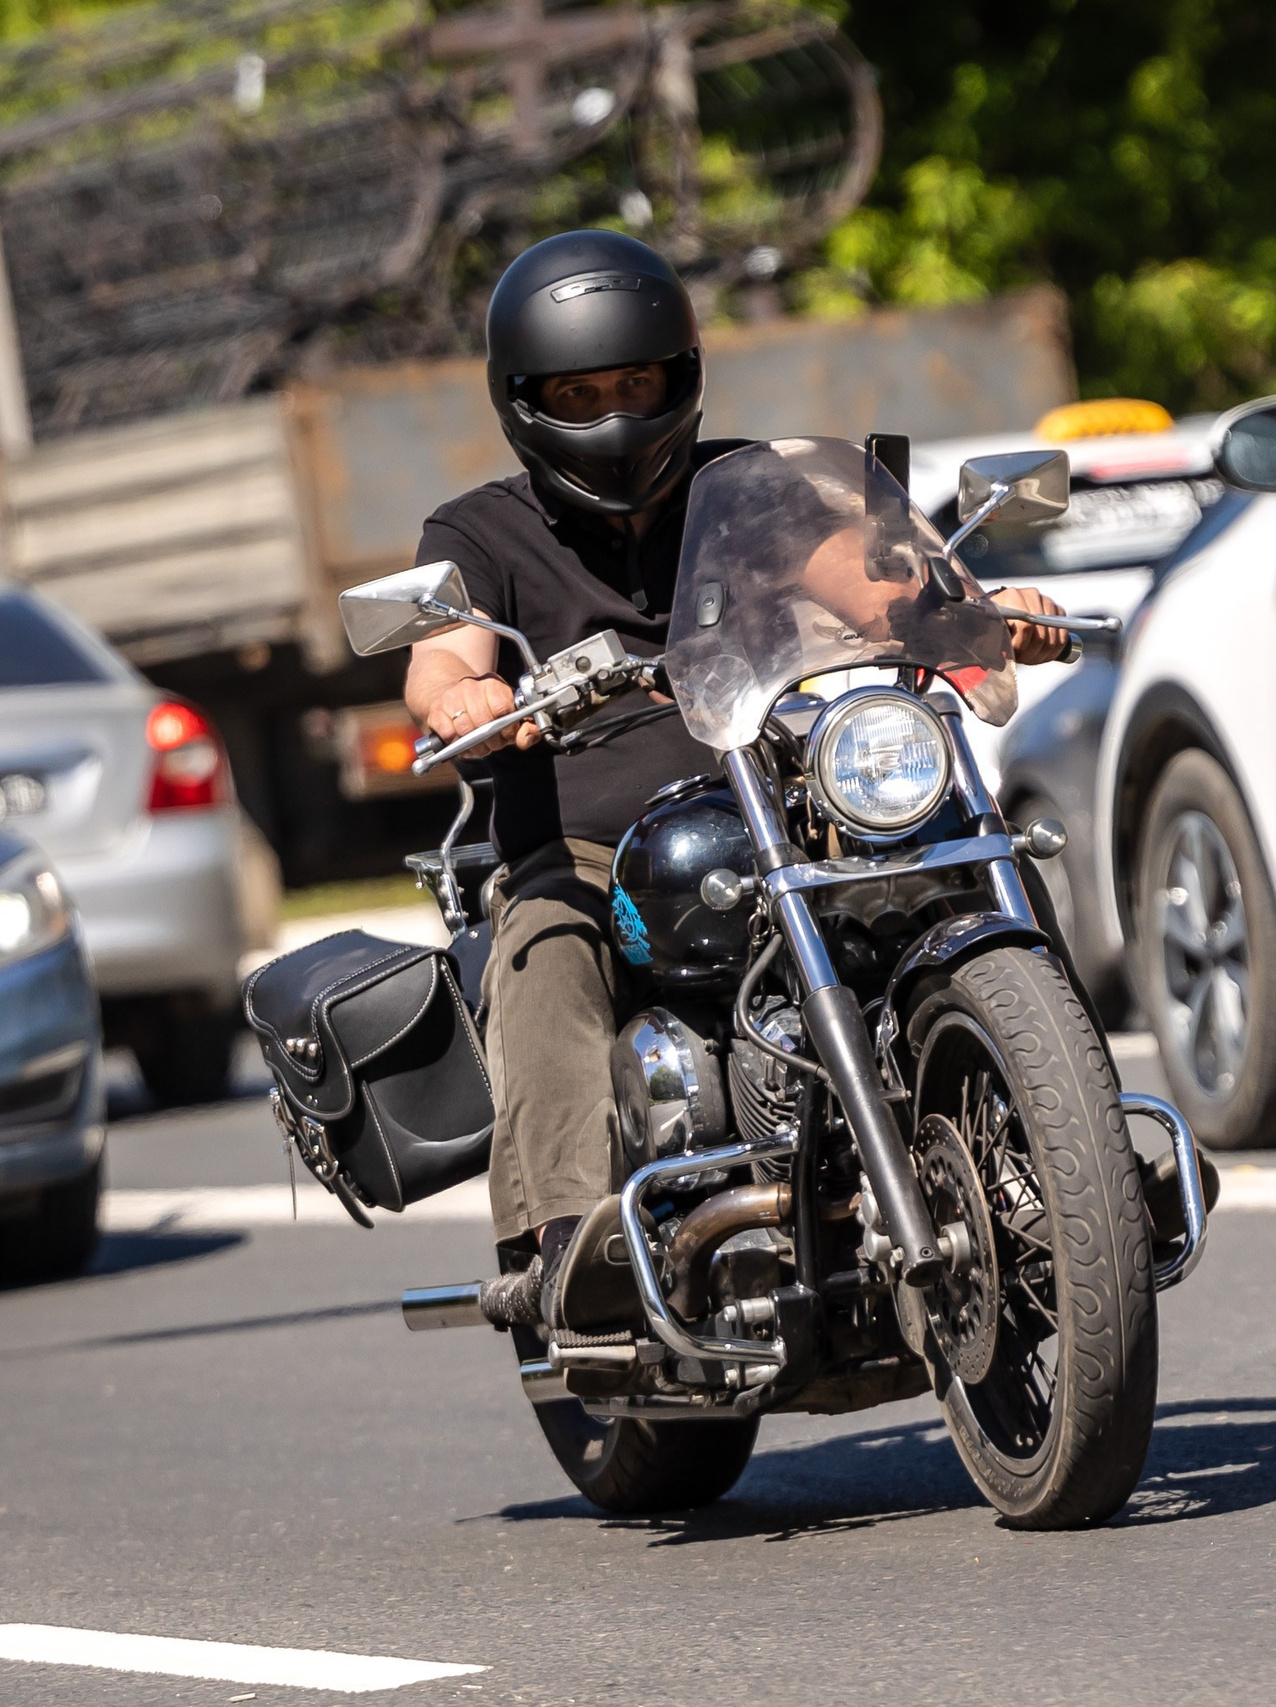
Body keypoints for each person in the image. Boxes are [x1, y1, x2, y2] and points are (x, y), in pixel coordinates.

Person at [401, 230, 1070, 1330]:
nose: (615, 414)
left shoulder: (749, 493)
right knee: (544, 950)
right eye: (579, 393)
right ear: (525, 401)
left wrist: (976, 613)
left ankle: (1061, 1133)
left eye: (635, 383)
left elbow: (873, 587)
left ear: (680, 376)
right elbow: (441, 658)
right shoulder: (482, 532)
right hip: (588, 847)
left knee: (959, 854)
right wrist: (461, 697)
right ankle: (572, 1240)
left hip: (777, 800)